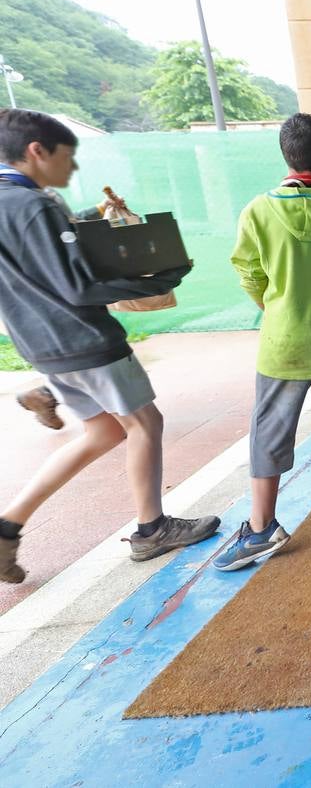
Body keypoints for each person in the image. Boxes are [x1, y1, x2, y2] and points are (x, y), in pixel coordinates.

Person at [0, 109, 213, 583]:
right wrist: (158, 280)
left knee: (102, 432)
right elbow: (75, 287)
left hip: (39, 344)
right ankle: (151, 529)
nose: (72, 170)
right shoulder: (34, 205)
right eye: (68, 158)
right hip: (85, 339)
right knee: (144, 424)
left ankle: (7, 525)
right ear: (37, 151)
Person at [216, 113, 311, 571]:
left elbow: (247, 270)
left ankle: (262, 527)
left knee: (270, 430)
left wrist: (274, 306)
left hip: (284, 341)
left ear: (287, 155)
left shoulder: (259, 210)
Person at [14, 184, 132, 432]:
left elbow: (65, 225)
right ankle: (47, 394)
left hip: (30, 306)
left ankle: (47, 394)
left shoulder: (27, 194)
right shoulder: (31, 196)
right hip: (59, 301)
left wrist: (100, 209)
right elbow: (63, 231)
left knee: (104, 429)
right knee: (137, 424)